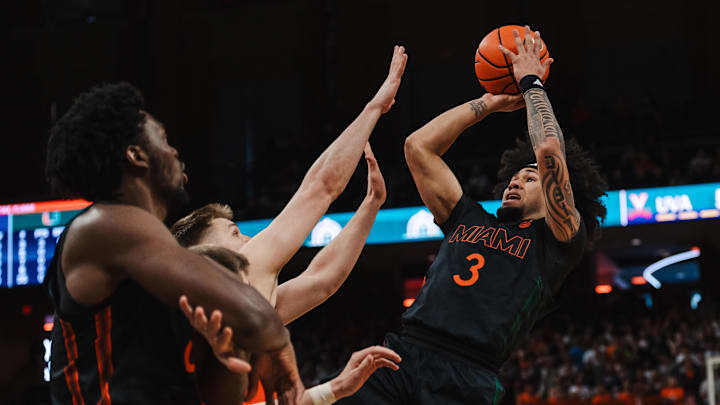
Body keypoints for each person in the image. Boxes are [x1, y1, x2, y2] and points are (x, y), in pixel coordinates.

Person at [338, 26, 608, 404]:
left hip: (468, 376)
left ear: (554, 193)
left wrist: (531, 83)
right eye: (514, 175)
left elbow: (548, 148)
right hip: (403, 355)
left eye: (529, 178)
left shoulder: (557, 242)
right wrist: (490, 103)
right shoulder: (469, 218)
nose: (515, 181)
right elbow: (418, 148)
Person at [171, 45, 407, 403]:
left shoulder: (233, 302)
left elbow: (321, 282)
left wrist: (370, 206)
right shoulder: (240, 273)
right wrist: (374, 107)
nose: (252, 238)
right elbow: (321, 187)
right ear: (208, 251)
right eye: (236, 233)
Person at [44, 82, 304, 405]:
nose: (174, 151)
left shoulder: (161, 267)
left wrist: (233, 353)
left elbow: (225, 395)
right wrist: (276, 342)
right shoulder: (101, 226)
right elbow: (257, 318)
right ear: (136, 155)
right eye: (163, 139)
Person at [183, 244, 401, 405]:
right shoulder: (181, 357)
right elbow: (324, 280)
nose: (250, 239)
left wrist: (335, 388)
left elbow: (325, 279)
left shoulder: (247, 336)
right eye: (234, 232)